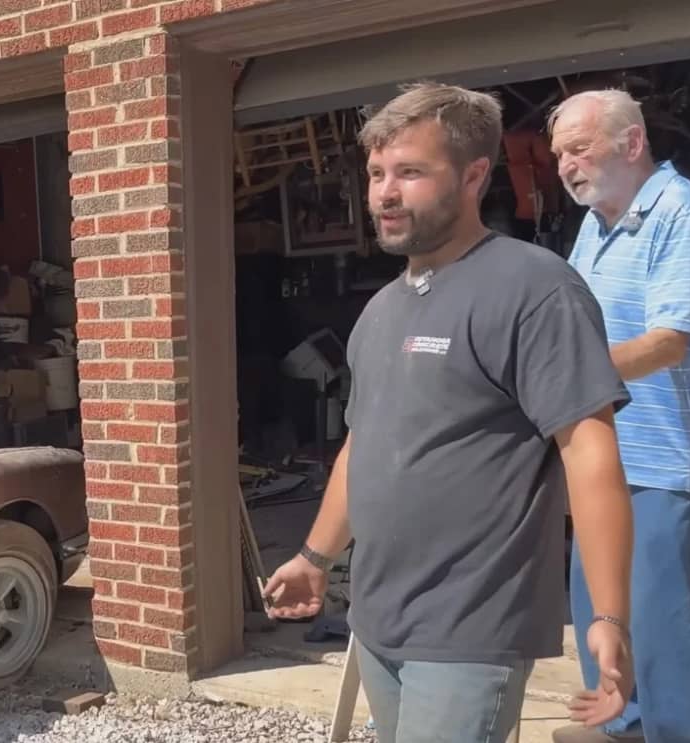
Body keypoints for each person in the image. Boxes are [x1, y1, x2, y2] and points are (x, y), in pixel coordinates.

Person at [261, 82, 637, 743]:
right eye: (377, 172)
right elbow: (363, 446)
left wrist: (608, 615)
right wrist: (315, 557)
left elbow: (588, 448)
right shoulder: (380, 311)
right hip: (378, 619)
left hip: (471, 626)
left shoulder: (534, 288)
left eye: (409, 171)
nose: (384, 191)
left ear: (473, 175)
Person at [548, 89, 690, 743]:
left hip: (661, 465)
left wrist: (570, 372)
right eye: (558, 154)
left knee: (662, 633)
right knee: (603, 612)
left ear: (631, 143)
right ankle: (625, 724)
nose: (566, 164)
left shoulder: (680, 210)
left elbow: (670, 340)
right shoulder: (597, 221)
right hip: (599, 457)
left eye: (578, 147)